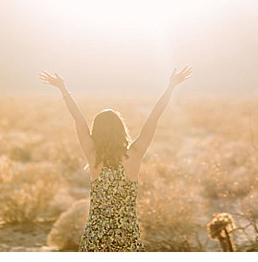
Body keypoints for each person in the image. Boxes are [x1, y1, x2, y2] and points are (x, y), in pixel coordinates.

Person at [39, 66, 193, 251]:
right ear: (121, 130)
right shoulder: (134, 154)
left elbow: (78, 120)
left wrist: (63, 89)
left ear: (96, 132)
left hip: (96, 235)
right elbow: (154, 117)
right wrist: (171, 86)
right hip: (127, 235)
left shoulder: (93, 156)